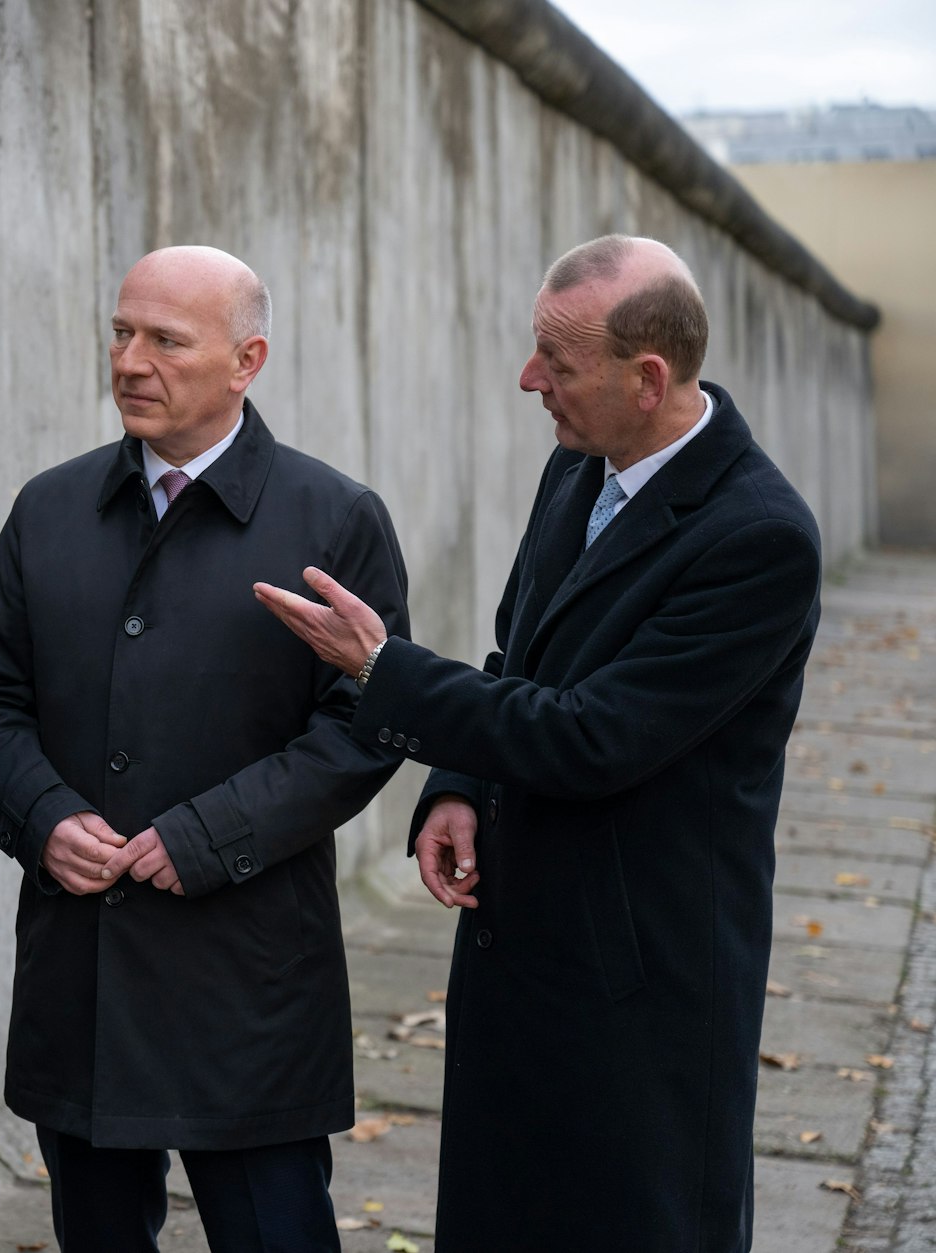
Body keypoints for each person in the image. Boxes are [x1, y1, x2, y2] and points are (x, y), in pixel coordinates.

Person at [256, 235, 821, 1251]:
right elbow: (517, 658)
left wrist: (383, 668)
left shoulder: (758, 537)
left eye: (555, 364)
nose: (529, 381)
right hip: (518, 943)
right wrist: (457, 786)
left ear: (645, 379)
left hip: (642, 981)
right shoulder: (579, 468)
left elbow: (594, 735)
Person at [0, 245, 411, 1253]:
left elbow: (364, 727)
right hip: (82, 967)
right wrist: (42, 815)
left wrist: (203, 837)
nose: (129, 360)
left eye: (164, 339)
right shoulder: (49, 507)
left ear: (245, 361)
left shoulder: (332, 518)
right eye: (121, 331)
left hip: (244, 978)